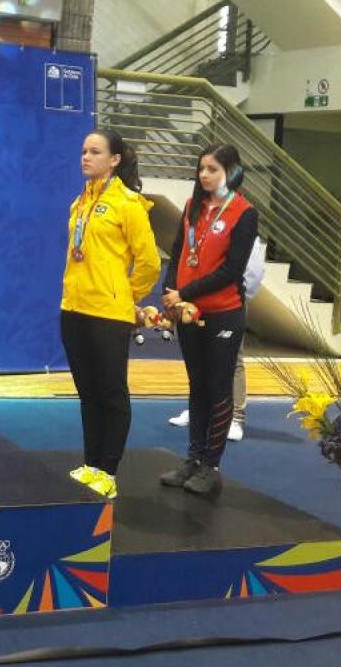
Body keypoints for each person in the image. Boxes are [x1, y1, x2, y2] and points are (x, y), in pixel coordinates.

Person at [61, 129, 160, 499]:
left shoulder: (129, 204)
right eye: (84, 150)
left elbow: (149, 262)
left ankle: (108, 470)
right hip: (74, 308)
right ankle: (90, 463)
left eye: (95, 151)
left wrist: (125, 296)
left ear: (114, 160)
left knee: (112, 392)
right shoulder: (80, 202)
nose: (86, 157)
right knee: (88, 392)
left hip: (109, 313)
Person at [159, 144, 259, 495]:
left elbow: (231, 271)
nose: (204, 175)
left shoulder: (244, 213)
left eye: (213, 169)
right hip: (187, 310)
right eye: (201, 168)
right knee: (196, 385)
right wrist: (170, 290)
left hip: (223, 313)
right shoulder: (192, 206)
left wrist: (186, 292)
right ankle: (193, 458)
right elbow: (177, 252)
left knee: (218, 389)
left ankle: (211, 465)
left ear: (230, 172)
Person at [167, 234, 266, 440]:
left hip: (228, 302)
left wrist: (236, 296)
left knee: (232, 358)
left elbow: (254, 272)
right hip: (196, 299)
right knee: (199, 355)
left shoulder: (241, 222)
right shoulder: (201, 224)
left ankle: (236, 417)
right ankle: (200, 411)